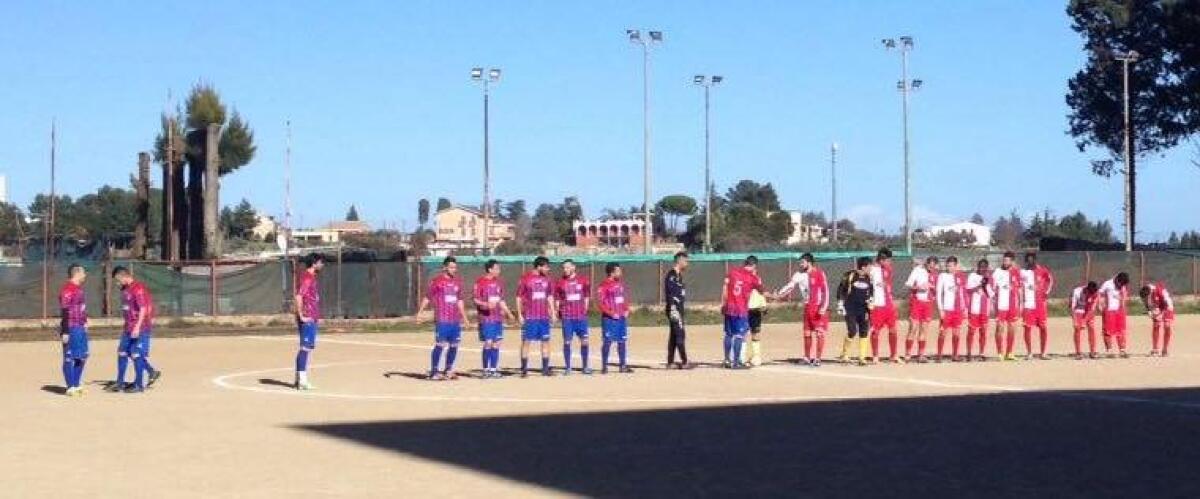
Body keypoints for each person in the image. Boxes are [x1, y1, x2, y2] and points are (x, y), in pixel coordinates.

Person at [416, 256, 469, 380]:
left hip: (455, 320)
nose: (454, 269)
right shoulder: (437, 281)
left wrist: (464, 317)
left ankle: (448, 369)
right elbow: (428, 297)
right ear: (444, 267)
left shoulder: (458, 282)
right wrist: (420, 312)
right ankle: (434, 371)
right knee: (440, 344)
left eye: (455, 267)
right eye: (451, 267)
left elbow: (459, 300)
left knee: (454, 345)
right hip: (442, 319)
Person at [110, 266, 161, 393]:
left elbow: (143, 309)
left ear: (123, 276)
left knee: (136, 354)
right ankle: (120, 383)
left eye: (118, 280)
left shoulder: (138, 289)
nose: (117, 283)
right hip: (128, 327)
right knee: (122, 352)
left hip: (140, 327)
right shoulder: (126, 289)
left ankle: (139, 384)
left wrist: (138, 327)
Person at [517, 256, 557, 377]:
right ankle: (524, 370)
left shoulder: (548, 280)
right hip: (530, 316)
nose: (548, 269)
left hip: (543, 317)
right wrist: (519, 314)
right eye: (545, 267)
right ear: (538, 266)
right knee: (526, 342)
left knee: (545, 341)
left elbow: (549, 296)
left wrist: (553, 312)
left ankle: (545, 369)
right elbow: (518, 297)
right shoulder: (525, 279)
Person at [721, 256, 764, 369]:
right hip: (740, 310)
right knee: (739, 336)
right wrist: (775, 296)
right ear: (754, 265)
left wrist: (723, 303)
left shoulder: (732, 272)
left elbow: (725, 287)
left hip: (729, 308)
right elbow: (762, 291)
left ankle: (727, 360)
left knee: (728, 334)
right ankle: (736, 362)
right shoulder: (752, 277)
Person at [473, 259, 513, 378]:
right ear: (490, 269)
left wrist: (508, 313)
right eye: (496, 268)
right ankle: (486, 370)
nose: (498, 271)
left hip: (497, 318)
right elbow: (475, 299)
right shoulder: (480, 282)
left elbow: (501, 300)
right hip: (486, 318)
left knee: (497, 343)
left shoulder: (499, 283)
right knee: (488, 342)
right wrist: (485, 305)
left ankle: (493, 369)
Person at [555, 259, 592, 375]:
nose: (565, 270)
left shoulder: (583, 280)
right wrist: (557, 310)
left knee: (585, 341)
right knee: (567, 342)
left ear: (573, 267)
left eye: (567, 267)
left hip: (580, 316)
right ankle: (568, 367)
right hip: (567, 317)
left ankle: (585, 366)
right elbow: (557, 298)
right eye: (564, 268)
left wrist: (585, 308)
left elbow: (586, 295)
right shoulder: (560, 282)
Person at [293, 254, 324, 390]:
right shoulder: (307, 277)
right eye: (320, 262)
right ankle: (302, 381)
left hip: (312, 316)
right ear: (314, 263)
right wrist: (301, 315)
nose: (322, 265)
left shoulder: (312, 277)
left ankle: (299, 379)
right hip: (307, 317)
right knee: (305, 348)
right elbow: (299, 296)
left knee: (307, 348)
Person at [836, 257, 875, 366]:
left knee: (864, 331)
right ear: (863, 267)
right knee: (852, 330)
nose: (871, 268)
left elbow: (871, 290)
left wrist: (871, 300)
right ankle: (844, 355)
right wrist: (840, 303)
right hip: (850, 308)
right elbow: (841, 290)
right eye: (869, 266)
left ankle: (862, 358)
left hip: (864, 308)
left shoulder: (869, 277)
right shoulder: (850, 275)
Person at [59, 264, 89, 397]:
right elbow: (65, 311)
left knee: (82, 356)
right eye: (84, 272)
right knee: (69, 357)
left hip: (80, 327)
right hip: (71, 327)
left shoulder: (79, 289)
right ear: (77, 273)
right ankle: (70, 386)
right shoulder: (67, 289)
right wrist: (65, 331)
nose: (85, 275)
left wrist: (85, 321)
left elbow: (81, 308)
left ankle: (76, 384)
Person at [597, 263, 632, 374]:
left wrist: (626, 309)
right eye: (618, 271)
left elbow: (622, 299)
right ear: (612, 272)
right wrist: (611, 314)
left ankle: (623, 366)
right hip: (609, 319)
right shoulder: (603, 285)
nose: (620, 273)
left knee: (622, 341)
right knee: (608, 342)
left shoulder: (620, 284)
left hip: (621, 318)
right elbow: (600, 303)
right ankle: (604, 366)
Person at [1020, 252, 1055, 360]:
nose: (1030, 262)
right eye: (1028, 260)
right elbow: (1018, 285)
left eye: (1032, 260)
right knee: (1027, 328)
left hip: (1040, 304)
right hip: (1028, 304)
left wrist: (1046, 292)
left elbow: (1051, 280)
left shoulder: (1042, 270)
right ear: (1026, 261)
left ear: (1035, 260)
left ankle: (1043, 352)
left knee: (1043, 328)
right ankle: (1029, 352)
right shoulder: (1023, 272)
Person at [903, 256, 939, 362]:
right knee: (913, 328)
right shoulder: (917, 270)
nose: (931, 268)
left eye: (933, 267)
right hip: (916, 302)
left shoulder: (936, 275)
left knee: (924, 329)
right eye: (930, 266)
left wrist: (933, 288)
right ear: (926, 264)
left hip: (928, 304)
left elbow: (938, 290)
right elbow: (908, 285)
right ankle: (908, 353)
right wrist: (919, 287)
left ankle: (921, 354)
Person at [869, 247, 901, 363]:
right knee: (875, 331)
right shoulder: (871, 270)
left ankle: (893, 354)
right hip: (877, 305)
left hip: (888, 304)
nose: (889, 262)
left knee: (893, 330)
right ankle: (875, 355)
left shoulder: (889, 269)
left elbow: (888, 284)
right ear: (881, 259)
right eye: (888, 260)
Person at [776, 262, 811, 362]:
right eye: (800, 262)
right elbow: (790, 286)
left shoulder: (818, 273)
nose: (800, 264)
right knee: (807, 332)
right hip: (808, 305)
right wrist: (779, 295)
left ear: (809, 262)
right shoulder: (798, 275)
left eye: (803, 262)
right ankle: (807, 357)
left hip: (819, 304)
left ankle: (817, 358)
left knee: (819, 333)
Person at [935, 256, 968, 362]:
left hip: (958, 309)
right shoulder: (943, 276)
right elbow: (939, 293)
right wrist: (941, 309)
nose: (949, 268)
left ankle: (955, 355)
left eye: (952, 266)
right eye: (948, 266)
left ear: (956, 266)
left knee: (956, 332)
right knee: (943, 332)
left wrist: (965, 308)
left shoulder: (961, 276)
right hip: (947, 309)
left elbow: (963, 293)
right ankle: (939, 354)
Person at [992, 251, 1022, 361]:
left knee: (1012, 328)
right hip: (1001, 304)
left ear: (1012, 262)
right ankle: (1000, 352)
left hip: (1013, 304)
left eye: (1008, 260)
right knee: (1000, 327)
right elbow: (991, 287)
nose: (1005, 262)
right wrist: (993, 302)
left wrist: (1020, 304)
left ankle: (1009, 352)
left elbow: (1019, 289)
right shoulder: (997, 272)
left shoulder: (1016, 272)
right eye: (1004, 260)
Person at [664, 252, 692, 369]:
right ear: (679, 261)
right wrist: (673, 309)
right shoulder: (671, 276)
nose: (687, 264)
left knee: (674, 336)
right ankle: (685, 361)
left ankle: (670, 362)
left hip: (679, 308)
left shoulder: (679, 275)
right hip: (674, 309)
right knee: (680, 334)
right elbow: (670, 294)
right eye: (686, 261)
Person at [965, 258, 993, 361]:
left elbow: (991, 294)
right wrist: (978, 286)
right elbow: (968, 289)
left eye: (984, 268)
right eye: (981, 267)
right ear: (978, 267)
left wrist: (985, 286)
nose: (982, 269)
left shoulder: (989, 278)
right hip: (974, 308)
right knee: (971, 331)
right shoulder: (972, 276)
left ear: (987, 268)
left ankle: (981, 352)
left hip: (985, 309)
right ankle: (969, 352)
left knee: (983, 331)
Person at [1139, 280, 1176, 357]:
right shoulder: (1145, 293)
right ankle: (1155, 349)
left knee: (1167, 326)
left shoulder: (1158, 290)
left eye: (1146, 297)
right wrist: (1149, 311)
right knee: (1156, 325)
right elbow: (1146, 303)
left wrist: (1160, 314)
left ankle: (1165, 350)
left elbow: (1166, 304)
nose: (1145, 299)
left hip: (1167, 306)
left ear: (1150, 293)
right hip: (1157, 307)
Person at [1099, 272, 1131, 358]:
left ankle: (1122, 350)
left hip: (1120, 311)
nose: (1121, 286)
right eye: (1120, 284)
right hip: (1109, 310)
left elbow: (1124, 295)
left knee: (1121, 331)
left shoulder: (1123, 284)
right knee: (1108, 331)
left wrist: (1123, 306)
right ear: (1117, 280)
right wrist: (1100, 304)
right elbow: (1100, 293)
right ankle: (1109, 350)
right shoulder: (1107, 284)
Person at [1070, 281, 1100, 360]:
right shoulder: (1077, 291)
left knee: (1091, 327)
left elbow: (1091, 309)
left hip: (1088, 311)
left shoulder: (1096, 293)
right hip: (1078, 310)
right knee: (1077, 329)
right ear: (1087, 289)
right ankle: (1078, 352)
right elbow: (1072, 307)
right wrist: (1074, 320)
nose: (1091, 294)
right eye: (1090, 292)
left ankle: (1092, 351)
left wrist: (1084, 321)